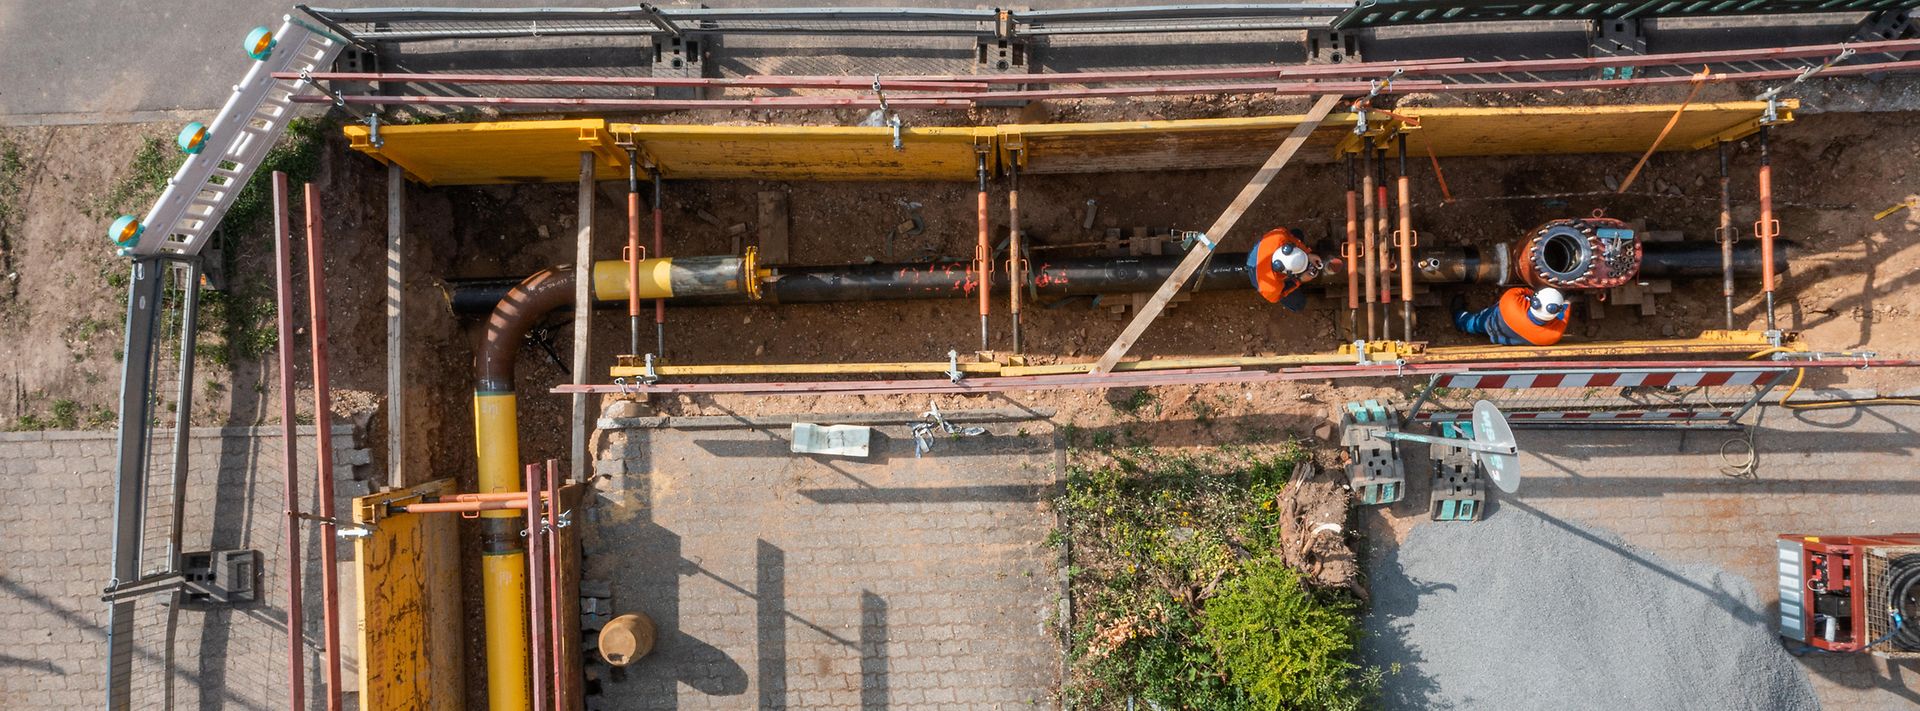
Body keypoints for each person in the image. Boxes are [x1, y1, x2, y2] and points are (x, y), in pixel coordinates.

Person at [1451, 287, 1569, 346]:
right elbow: (1566, 309)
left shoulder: (1511, 301)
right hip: (1503, 339)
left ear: (1535, 301)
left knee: (1474, 323)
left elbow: (1524, 291)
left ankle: (1460, 320)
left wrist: (1532, 293)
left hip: (1491, 322)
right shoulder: (1552, 336)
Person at [1246, 227, 1324, 312]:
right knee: (1298, 304)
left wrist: (1308, 254)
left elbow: (1291, 237)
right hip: (1253, 268)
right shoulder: (1270, 288)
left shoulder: (1278, 236)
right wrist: (1299, 280)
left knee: (1297, 233)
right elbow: (1277, 296)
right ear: (1288, 273)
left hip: (1261, 251)